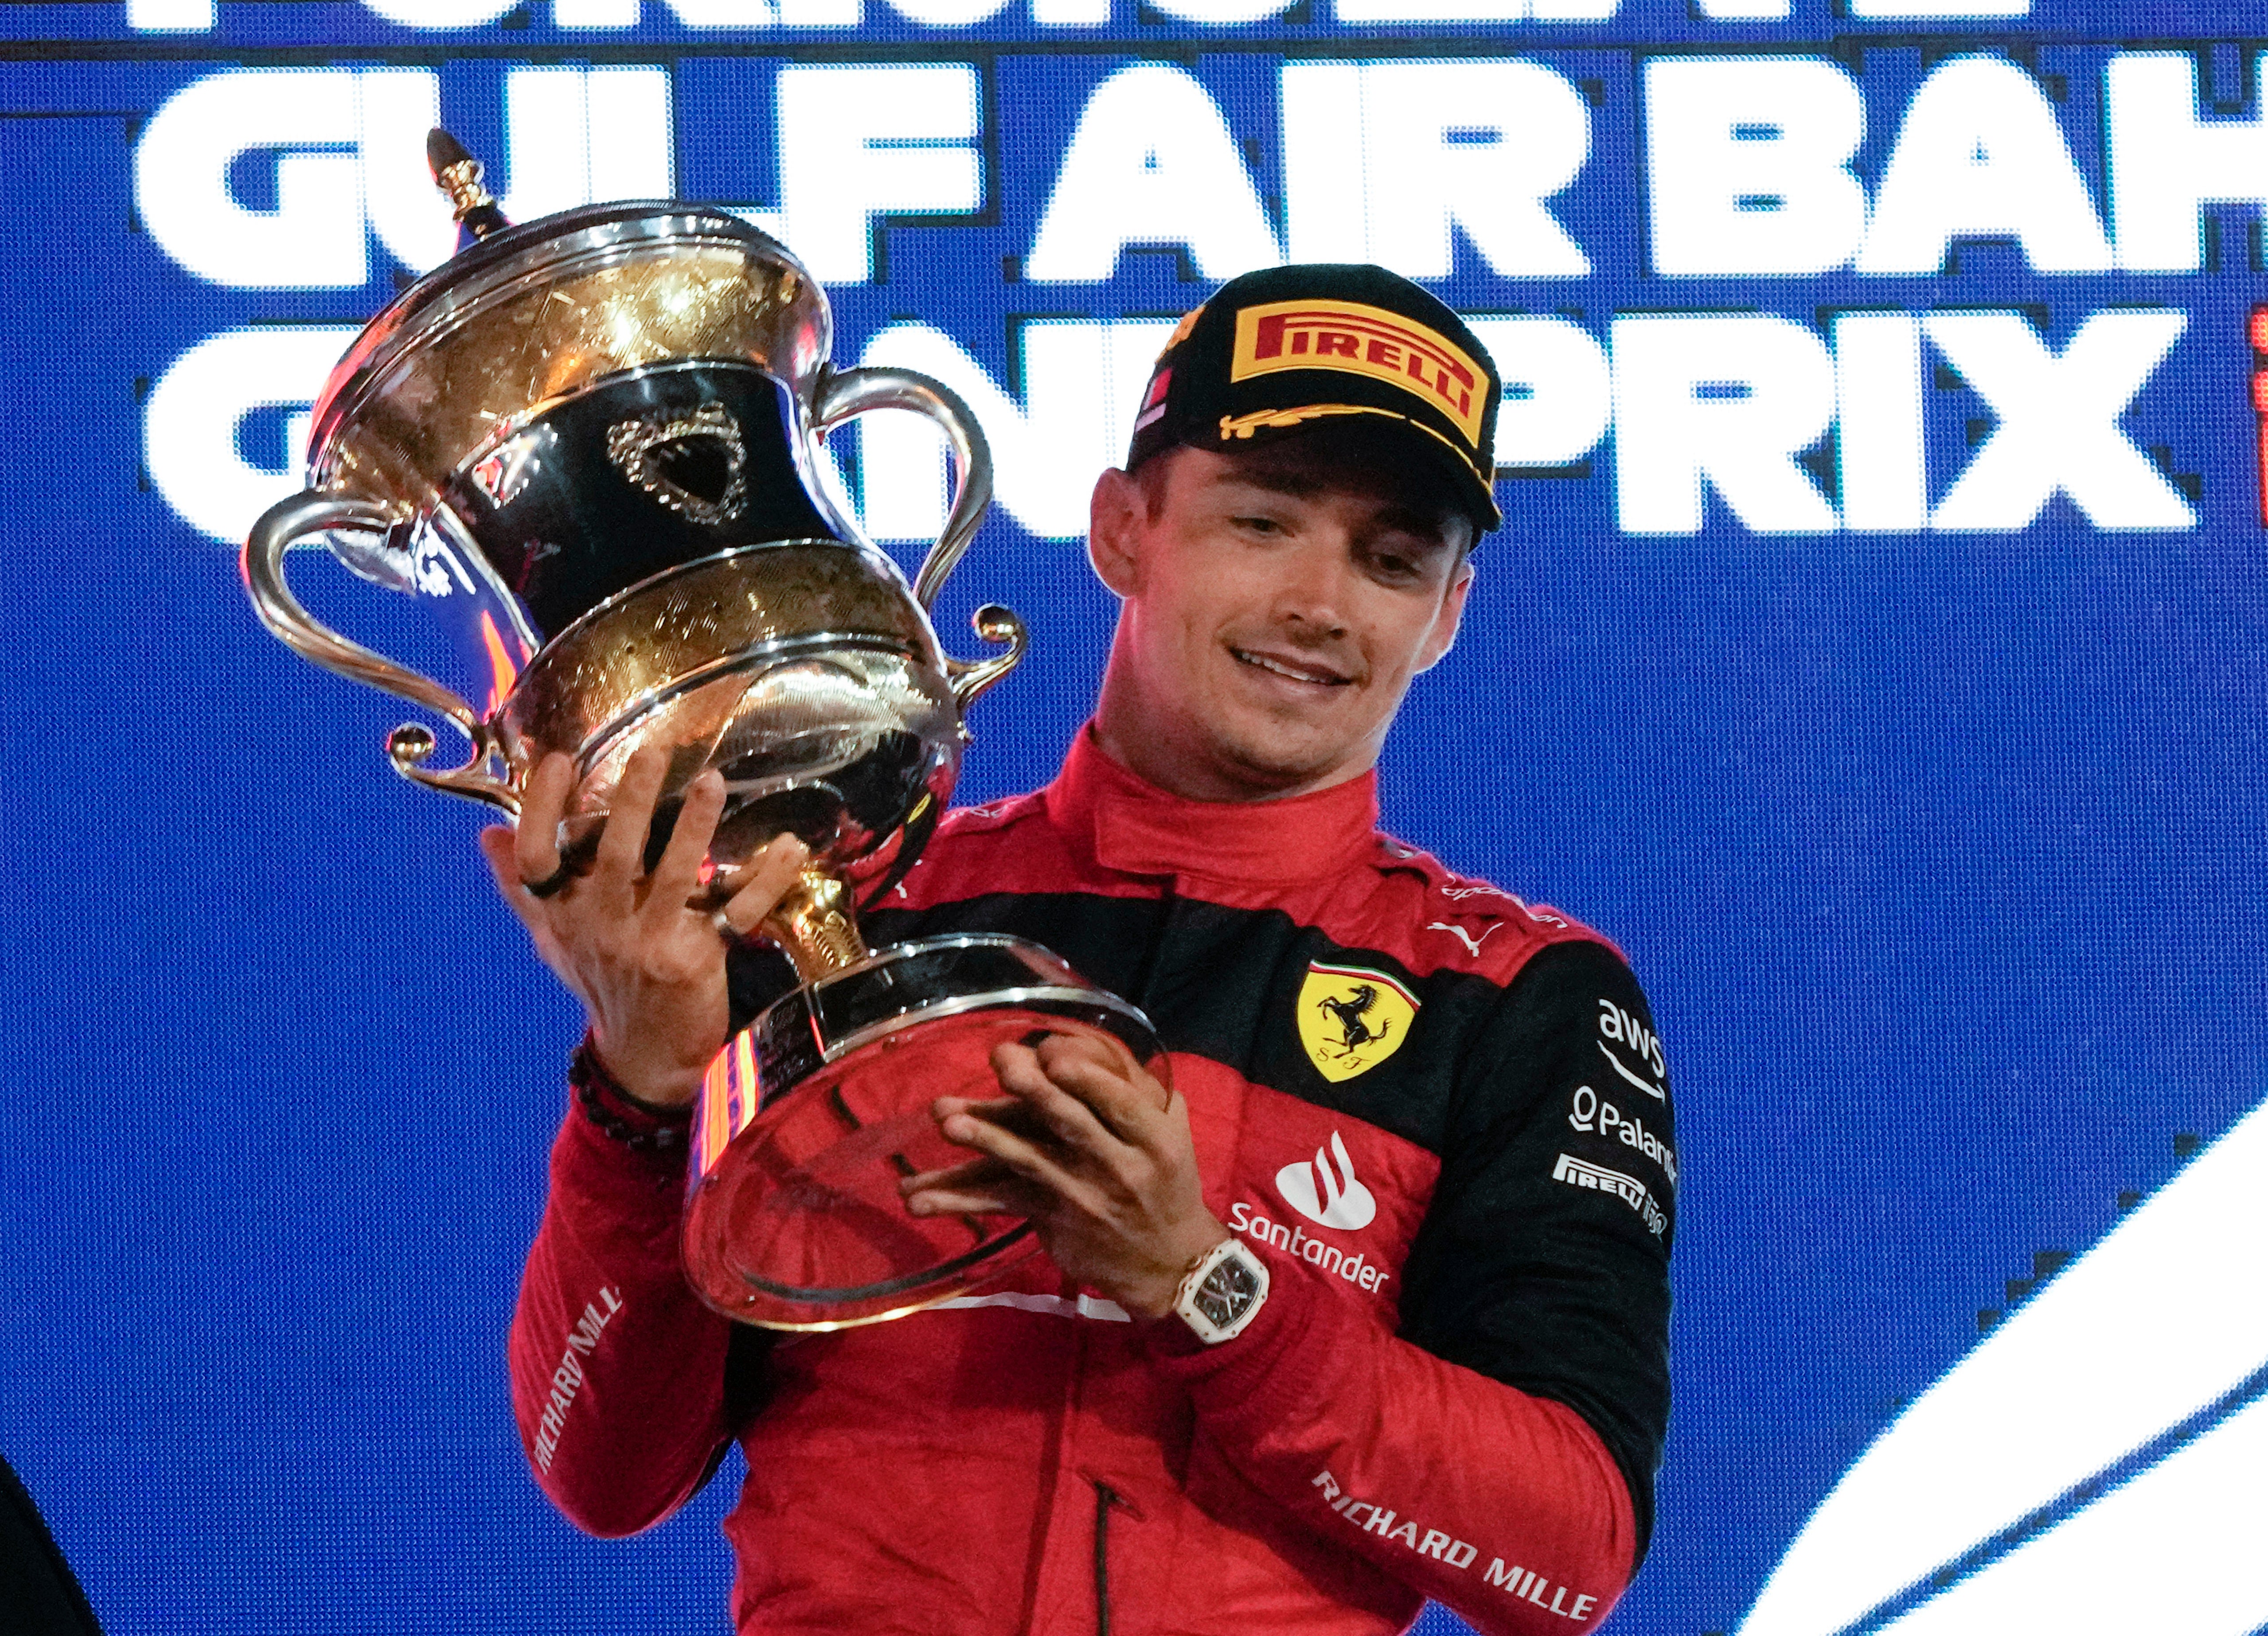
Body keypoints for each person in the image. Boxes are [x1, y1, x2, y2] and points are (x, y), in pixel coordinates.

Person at [488, 265, 1676, 1636]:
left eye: (1391, 558)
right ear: (1122, 530)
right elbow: (606, 1473)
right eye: (1262, 520)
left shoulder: (1510, 995)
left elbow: (1572, 1553)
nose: (1320, 601)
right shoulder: (844, 900)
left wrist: (1200, 1285)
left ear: (1447, 614)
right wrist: (638, 1097)